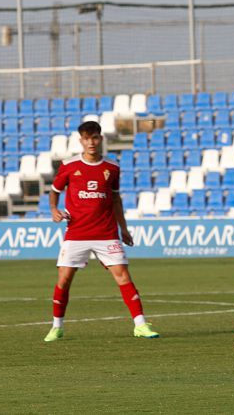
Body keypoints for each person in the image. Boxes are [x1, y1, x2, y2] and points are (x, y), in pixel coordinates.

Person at [43, 120, 159, 342]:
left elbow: (116, 199)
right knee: (64, 279)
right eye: (86, 138)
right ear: (81, 141)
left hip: (106, 233)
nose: (91, 142)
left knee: (123, 276)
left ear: (101, 139)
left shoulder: (112, 168)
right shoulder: (69, 166)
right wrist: (54, 210)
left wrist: (123, 228)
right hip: (76, 233)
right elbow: (54, 191)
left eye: (95, 137)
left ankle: (141, 325)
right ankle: (57, 326)